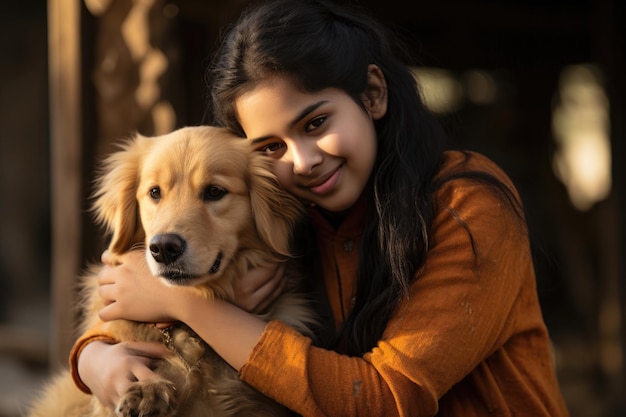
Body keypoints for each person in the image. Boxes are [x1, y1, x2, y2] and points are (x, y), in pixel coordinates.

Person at [71, 0, 570, 415]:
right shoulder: (291, 210)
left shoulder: (467, 204)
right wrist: (92, 357)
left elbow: (384, 400)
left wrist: (189, 307)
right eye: (271, 146)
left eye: (314, 123)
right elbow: (124, 300)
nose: (303, 161)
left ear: (373, 94)